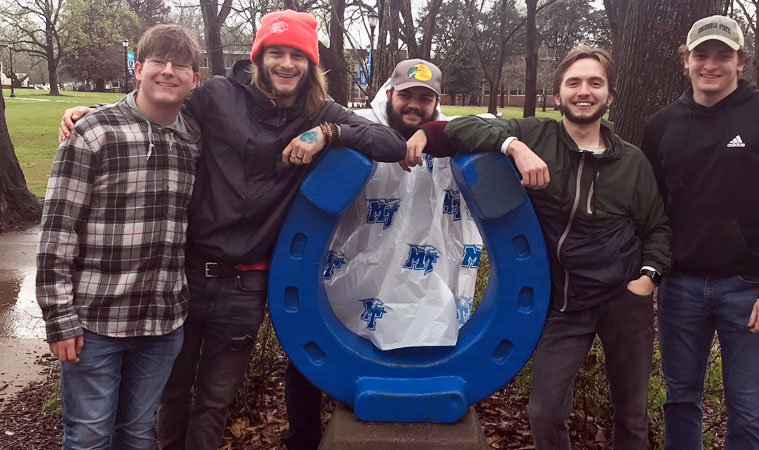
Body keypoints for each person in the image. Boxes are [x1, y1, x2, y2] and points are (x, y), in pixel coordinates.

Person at [59, 10, 406, 450]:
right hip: (182, 277)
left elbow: (392, 145)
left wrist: (327, 132)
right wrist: (90, 113)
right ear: (259, 58)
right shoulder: (218, 95)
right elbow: (157, 104)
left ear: (310, 64)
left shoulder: (317, 110)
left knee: (214, 402)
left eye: (298, 55)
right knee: (171, 394)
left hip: (246, 283)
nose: (286, 64)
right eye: (276, 52)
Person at [407, 46, 671, 450]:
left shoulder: (632, 161)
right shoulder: (535, 135)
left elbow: (657, 228)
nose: (584, 91)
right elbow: (463, 129)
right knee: (544, 412)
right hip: (565, 303)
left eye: (595, 83)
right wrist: (513, 146)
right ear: (558, 95)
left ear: (609, 96)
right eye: (574, 83)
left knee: (631, 415)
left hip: (624, 301)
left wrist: (648, 279)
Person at [285, 58, 484, 448]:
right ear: (389, 94)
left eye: (424, 99)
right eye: (406, 95)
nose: (414, 105)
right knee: (305, 350)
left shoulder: (451, 136)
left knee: (418, 343)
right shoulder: (358, 124)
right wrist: (326, 133)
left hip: (422, 283)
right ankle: (301, 438)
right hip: (350, 275)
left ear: (436, 102)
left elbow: (492, 126)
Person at [38, 24, 202, 450]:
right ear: (139, 70)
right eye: (158, 62)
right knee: (89, 437)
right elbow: (57, 231)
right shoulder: (94, 133)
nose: (168, 71)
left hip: (162, 322)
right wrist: (59, 317)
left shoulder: (192, 142)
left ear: (194, 79)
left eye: (180, 65)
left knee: (136, 434)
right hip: (95, 322)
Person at [641, 15, 759, 450]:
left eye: (723, 56)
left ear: (741, 62)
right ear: (686, 61)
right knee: (680, 401)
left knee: (748, 410)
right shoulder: (661, 126)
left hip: (749, 290)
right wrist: (651, 271)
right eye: (701, 55)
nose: (711, 65)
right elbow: (652, 210)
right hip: (680, 288)